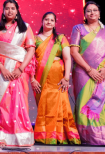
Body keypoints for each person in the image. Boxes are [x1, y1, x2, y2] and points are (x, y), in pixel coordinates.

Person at [0, 0, 36, 147]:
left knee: (19, 103)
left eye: (12, 8)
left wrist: (20, 69)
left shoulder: (25, 28)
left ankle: (23, 138)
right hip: (1, 70)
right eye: (7, 8)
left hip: (19, 71)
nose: (9, 11)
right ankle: (5, 138)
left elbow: (31, 49)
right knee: (4, 103)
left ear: (17, 11)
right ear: (3, 11)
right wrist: (2, 68)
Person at [70, 1, 105, 145]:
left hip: (102, 74)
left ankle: (103, 138)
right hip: (82, 72)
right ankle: (85, 137)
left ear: (99, 13)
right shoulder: (78, 28)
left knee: (102, 104)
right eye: (89, 11)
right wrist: (89, 70)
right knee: (83, 103)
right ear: (84, 14)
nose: (92, 13)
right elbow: (74, 51)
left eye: (95, 10)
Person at [31, 12, 81, 144]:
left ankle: (59, 135)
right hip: (40, 78)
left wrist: (66, 78)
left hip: (58, 79)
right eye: (46, 19)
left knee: (60, 106)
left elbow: (67, 58)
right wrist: (32, 78)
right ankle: (44, 136)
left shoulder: (60, 38)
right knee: (44, 107)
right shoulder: (34, 39)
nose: (49, 22)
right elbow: (30, 60)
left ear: (55, 23)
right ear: (42, 21)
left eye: (51, 20)